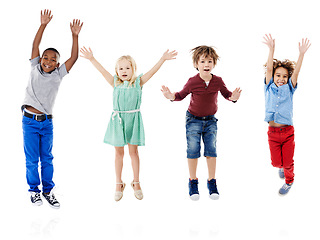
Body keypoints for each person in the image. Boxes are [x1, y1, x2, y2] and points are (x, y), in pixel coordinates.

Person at [80, 47, 177, 201]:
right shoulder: (115, 82)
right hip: (118, 122)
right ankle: (119, 183)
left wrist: (163, 59)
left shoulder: (138, 82)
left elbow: (152, 72)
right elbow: (102, 71)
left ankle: (136, 182)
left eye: (127, 68)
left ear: (133, 69)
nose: (124, 71)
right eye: (120, 68)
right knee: (119, 153)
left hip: (134, 120)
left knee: (134, 152)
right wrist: (92, 58)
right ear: (117, 71)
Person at [161, 45, 241, 200]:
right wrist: (170, 95)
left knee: (211, 150)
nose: (206, 64)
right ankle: (193, 181)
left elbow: (227, 95)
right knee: (193, 150)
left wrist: (234, 97)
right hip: (193, 120)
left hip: (210, 120)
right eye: (203, 61)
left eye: (209, 61)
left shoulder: (217, 81)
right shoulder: (192, 81)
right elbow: (180, 95)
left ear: (214, 64)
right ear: (196, 64)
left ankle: (212, 181)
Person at [22, 9, 83, 208]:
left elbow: (74, 57)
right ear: (40, 59)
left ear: (57, 64)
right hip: (30, 121)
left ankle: (48, 191)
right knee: (32, 160)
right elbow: (35, 45)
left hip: (47, 123)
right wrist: (43, 25)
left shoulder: (58, 75)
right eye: (45, 58)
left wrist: (75, 36)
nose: (48, 61)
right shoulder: (34, 67)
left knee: (47, 158)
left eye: (53, 59)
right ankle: (34, 191)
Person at [263, 34, 310, 195]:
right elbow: (269, 68)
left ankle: (289, 181)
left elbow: (296, 73)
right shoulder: (268, 87)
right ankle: (282, 167)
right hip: (273, 133)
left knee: (289, 162)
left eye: (284, 76)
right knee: (276, 163)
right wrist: (271, 49)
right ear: (273, 77)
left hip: (288, 132)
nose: (281, 79)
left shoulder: (289, 88)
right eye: (278, 75)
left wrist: (301, 54)